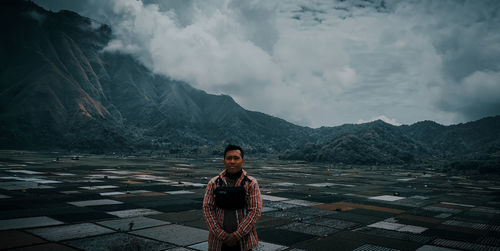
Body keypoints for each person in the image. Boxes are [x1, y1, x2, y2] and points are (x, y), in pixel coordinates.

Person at [203, 144, 263, 251]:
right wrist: (221, 234)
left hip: (244, 241)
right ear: (224, 161)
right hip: (218, 242)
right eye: (229, 158)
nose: (232, 161)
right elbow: (207, 209)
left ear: (242, 161)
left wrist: (237, 235)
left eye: (236, 158)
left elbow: (254, 211)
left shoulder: (251, 183)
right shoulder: (214, 183)